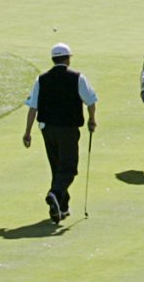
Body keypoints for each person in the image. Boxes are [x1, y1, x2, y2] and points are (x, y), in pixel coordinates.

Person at [23, 42, 98, 223]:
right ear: (67, 59)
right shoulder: (77, 77)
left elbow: (33, 108)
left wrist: (27, 132)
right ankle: (55, 193)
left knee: (57, 167)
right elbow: (90, 101)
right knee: (69, 168)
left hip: (47, 129)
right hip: (68, 129)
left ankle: (61, 208)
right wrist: (92, 120)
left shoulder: (41, 79)